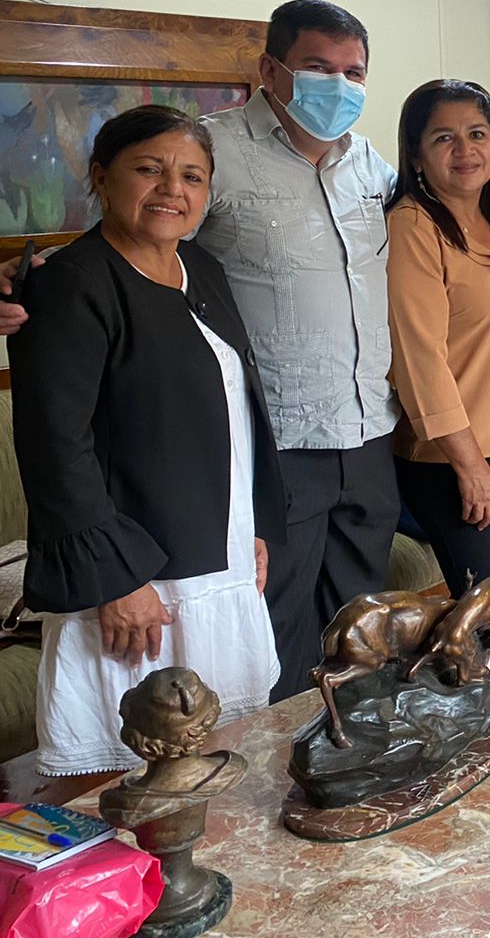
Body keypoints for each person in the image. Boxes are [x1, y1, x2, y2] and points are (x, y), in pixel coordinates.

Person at [9, 105, 283, 775]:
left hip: (216, 558)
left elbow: (232, 412)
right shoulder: (72, 283)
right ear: (101, 178)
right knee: (134, 769)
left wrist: (251, 527)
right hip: (138, 575)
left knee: (218, 761)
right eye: (149, 169)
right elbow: (55, 446)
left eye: (192, 176)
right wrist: (116, 580)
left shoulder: (201, 268)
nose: (172, 190)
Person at [197, 0, 401, 701]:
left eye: (354, 72)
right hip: (275, 441)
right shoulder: (213, 153)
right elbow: (139, 248)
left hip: (368, 429)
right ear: (270, 70)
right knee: (275, 622)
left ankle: (356, 742)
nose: (339, 86)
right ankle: (280, 756)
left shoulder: (368, 163)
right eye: (318, 67)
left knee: (361, 623)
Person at [386, 80, 490, 609]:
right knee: (486, 607)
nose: (465, 149)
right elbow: (417, 357)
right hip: (456, 451)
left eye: (478, 133)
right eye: (444, 138)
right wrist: (469, 464)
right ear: (416, 155)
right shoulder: (412, 226)